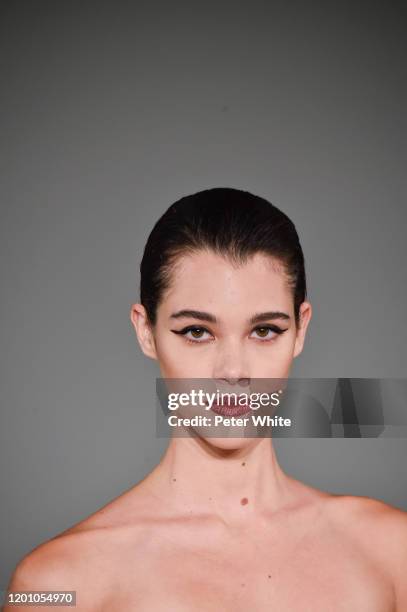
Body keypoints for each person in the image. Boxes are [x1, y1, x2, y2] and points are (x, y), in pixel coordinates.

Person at [4, 188, 407, 611]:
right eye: (197, 331)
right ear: (146, 331)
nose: (233, 371)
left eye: (264, 330)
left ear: (301, 330)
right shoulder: (55, 583)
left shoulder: (391, 550)